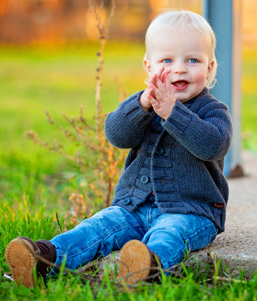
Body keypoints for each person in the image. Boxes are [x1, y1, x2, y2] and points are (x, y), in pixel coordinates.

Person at [5, 10, 233, 288]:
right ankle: (46, 257)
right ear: (149, 67)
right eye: (167, 60)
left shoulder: (213, 111)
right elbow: (115, 134)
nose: (180, 69)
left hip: (191, 211)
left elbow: (213, 146)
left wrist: (173, 113)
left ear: (209, 68)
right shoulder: (143, 105)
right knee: (98, 226)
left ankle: (147, 266)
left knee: (170, 234)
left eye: (193, 60)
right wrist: (141, 105)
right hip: (133, 207)